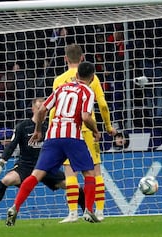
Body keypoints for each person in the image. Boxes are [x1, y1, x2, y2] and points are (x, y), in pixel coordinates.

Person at [5, 62, 101, 226]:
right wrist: (95, 130)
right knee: (89, 174)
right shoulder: (88, 91)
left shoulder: (61, 89)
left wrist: (38, 130)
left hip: (52, 137)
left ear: (76, 75)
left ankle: (15, 207)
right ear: (91, 77)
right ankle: (89, 211)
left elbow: (42, 109)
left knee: (36, 175)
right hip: (72, 137)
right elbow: (85, 117)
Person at [0, 98, 84, 221]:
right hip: (26, 165)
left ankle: (86, 211)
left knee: (73, 185)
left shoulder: (52, 127)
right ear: (32, 109)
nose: (41, 111)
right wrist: (1, 163)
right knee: (7, 180)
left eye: (43, 108)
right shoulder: (22, 126)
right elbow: (12, 145)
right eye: (38, 108)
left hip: (46, 166)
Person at [50, 44, 116, 223]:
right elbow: (102, 105)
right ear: (82, 58)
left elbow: (52, 110)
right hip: (87, 129)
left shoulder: (59, 80)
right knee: (94, 170)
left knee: (70, 171)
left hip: (66, 130)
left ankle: (72, 214)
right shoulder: (91, 77)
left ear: (65, 58)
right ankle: (99, 211)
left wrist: (51, 131)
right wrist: (108, 127)